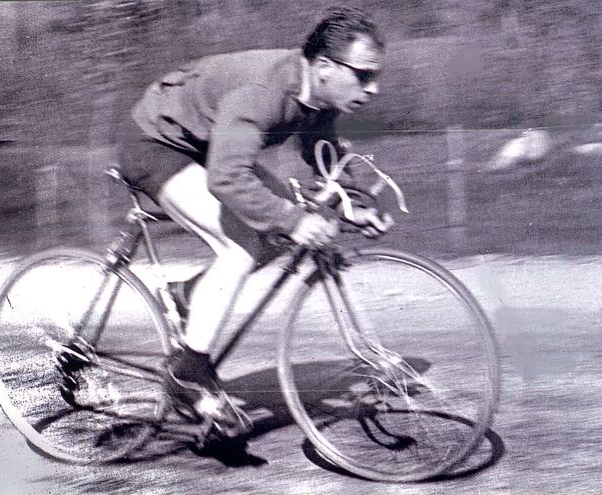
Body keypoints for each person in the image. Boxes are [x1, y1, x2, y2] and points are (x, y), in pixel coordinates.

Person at [115, 6, 393, 434]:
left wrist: (352, 202)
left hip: (207, 143)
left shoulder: (318, 94)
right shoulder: (264, 92)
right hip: (157, 144)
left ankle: (192, 295)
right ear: (324, 67)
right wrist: (293, 219)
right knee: (245, 245)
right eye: (363, 75)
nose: (373, 88)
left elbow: (320, 147)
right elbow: (227, 179)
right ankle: (188, 374)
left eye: (375, 76)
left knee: (278, 228)